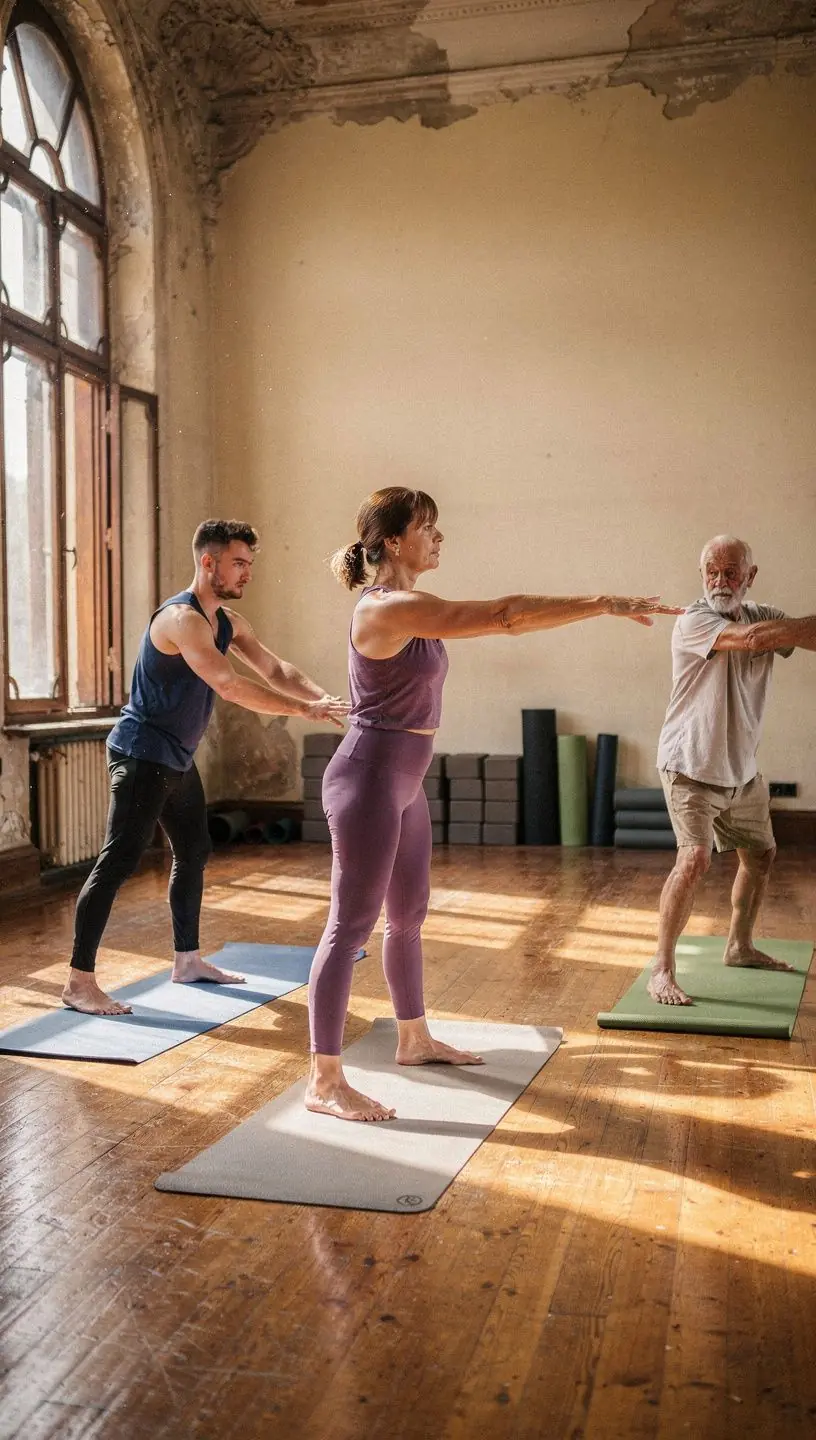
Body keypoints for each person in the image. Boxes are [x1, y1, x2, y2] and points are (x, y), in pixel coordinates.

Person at [306, 486, 681, 1122]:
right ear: (394, 541)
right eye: (428, 527)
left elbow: (507, 619)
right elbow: (505, 615)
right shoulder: (384, 610)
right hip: (367, 777)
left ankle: (414, 1037)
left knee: (409, 916)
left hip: (404, 779)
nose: (439, 537)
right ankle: (324, 1080)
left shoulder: (413, 607)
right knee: (350, 925)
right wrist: (601, 603)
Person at [62, 519, 349, 1017]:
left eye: (250, 565)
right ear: (208, 562)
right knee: (119, 861)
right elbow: (230, 684)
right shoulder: (181, 620)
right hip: (140, 754)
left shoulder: (227, 622)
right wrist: (303, 711)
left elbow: (275, 670)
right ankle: (78, 983)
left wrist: (319, 697)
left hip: (175, 757)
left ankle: (187, 960)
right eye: (239, 563)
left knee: (193, 850)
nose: (247, 574)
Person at [650, 534, 816, 1006]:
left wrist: (794, 630)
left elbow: (798, 634)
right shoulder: (693, 620)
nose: (720, 582)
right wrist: (791, 631)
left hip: (741, 771)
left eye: (730, 573)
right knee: (695, 858)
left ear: (750, 576)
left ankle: (739, 946)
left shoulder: (763, 614)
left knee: (761, 855)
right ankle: (661, 969)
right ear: (702, 573)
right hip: (690, 765)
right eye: (712, 572)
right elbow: (755, 640)